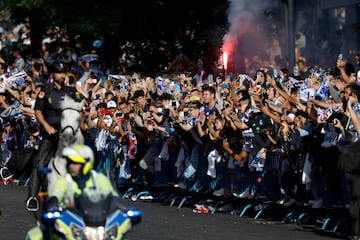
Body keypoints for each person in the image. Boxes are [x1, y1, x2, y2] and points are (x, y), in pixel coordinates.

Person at [26, 61, 80, 211]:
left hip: (65, 135)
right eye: (60, 73)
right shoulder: (45, 90)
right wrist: (46, 126)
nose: (63, 75)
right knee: (39, 163)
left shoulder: (70, 91)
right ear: (53, 74)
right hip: (50, 133)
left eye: (64, 73)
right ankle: (32, 197)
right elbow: (38, 111)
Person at [47, 144, 119, 210]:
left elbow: (113, 196)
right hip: (71, 221)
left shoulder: (99, 178)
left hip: (98, 219)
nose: (71, 166)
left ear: (87, 163)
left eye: (75, 163)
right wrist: (53, 200)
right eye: (70, 163)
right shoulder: (64, 180)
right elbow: (57, 193)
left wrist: (119, 204)